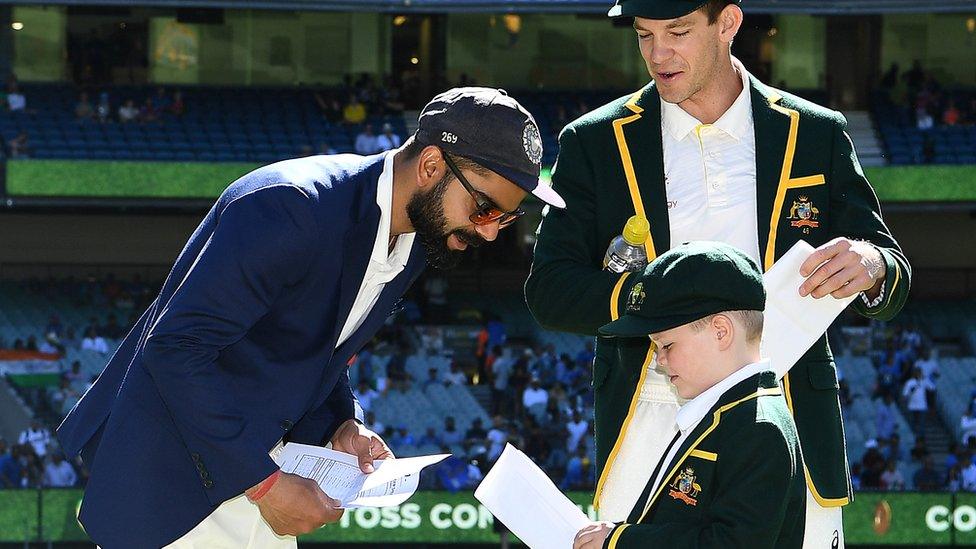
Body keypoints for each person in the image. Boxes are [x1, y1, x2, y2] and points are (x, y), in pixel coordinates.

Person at [56, 87, 564, 549]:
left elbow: (317, 348)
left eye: (506, 217)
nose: (492, 232)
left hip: (256, 471)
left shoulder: (412, 239)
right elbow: (174, 348)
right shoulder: (292, 206)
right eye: (484, 208)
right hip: (172, 476)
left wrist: (343, 423)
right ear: (431, 165)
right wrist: (266, 483)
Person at [525, 0, 910, 544]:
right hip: (651, 410)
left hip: (785, 406)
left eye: (677, 32)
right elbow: (549, 290)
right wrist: (655, 301)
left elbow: (891, 265)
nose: (658, 55)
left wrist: (871, 265)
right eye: (644, 36)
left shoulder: (814, 132)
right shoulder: (592, 140)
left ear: (728, 23)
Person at [574, 242, 805, 548]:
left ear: (721, 331)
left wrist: (621, 541)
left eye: (666, 345)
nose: (659, 361)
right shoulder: (727, 414)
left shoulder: (758, 427)